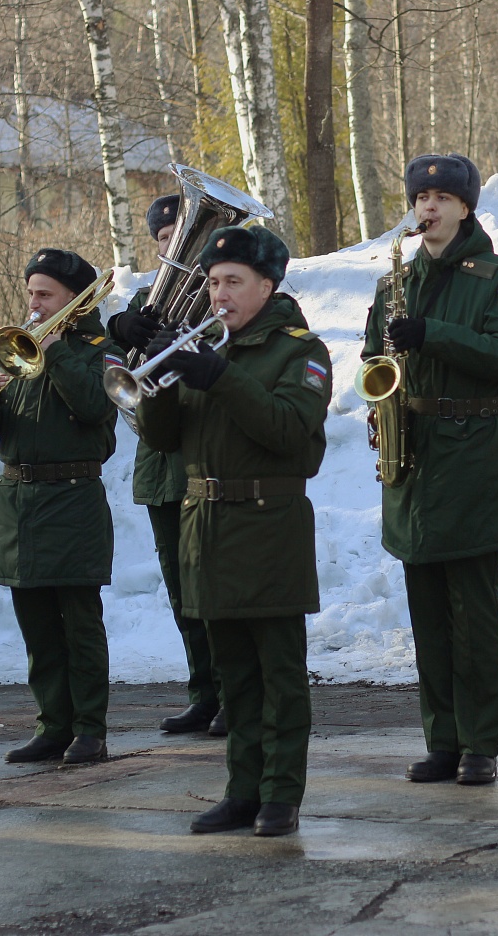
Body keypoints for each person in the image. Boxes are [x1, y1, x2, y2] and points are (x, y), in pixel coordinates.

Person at [137, 224, 330, 837]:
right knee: (233, 678)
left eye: (233, 282)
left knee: (278, 673)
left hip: (268, 526)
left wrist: (217, 377)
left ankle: (280, 794)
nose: (219, 295)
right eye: (213, 282)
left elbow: (288, 434)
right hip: (208, 528)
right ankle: (240, 790)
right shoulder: (207, 350)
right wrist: (159, 379)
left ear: (267, 286)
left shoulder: (300, 351)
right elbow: (163, 442)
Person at [361, 153, 498, 786]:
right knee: (427, 614)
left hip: (473, 453)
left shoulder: (495, 274)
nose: (427, 207)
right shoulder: (393, 280)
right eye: (420, 197)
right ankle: (442, 740)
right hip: (413, 455)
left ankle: (481, 742)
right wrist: (380, 408)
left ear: (465, 206)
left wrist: (434, 333)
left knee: (474, 616)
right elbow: (374, 357)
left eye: (441, 197)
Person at [0, 248, 118, 766]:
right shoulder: (14, 345)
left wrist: (55, 352)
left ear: (72, 298)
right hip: (20, 502)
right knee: (36, 627)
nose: (32, 304)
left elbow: (96, 407)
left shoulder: (100, 345)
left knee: (79, 623)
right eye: (30, 292)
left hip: (72, 497)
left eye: (44, 294)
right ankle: (53, 725)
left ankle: (90, 729)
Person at [106, 195, 225, 738]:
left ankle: (233, 693)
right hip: (159, 468)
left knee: (215, 589)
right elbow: (111, 379)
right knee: (182, 594)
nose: (172, 246)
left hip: (207, 463)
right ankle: (204, 693)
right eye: (163, 239)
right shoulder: (142, 300)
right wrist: (118, 332)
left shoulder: (226, 299)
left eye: (184, 236)